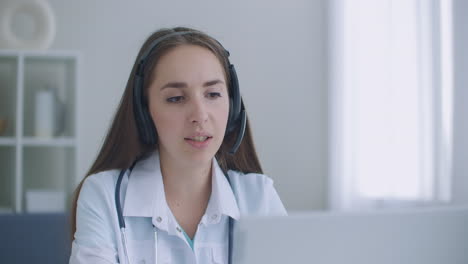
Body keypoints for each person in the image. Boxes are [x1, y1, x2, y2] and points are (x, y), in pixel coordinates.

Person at [69, 27, 287, 264]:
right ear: (144, 112)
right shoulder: (103, 195)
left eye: (213, 94)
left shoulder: (259, 198)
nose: (199, 115)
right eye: (176, 98)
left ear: (233, 107)